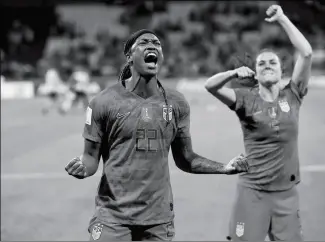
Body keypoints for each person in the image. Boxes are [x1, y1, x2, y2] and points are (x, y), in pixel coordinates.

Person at [65, 29, 249, 241]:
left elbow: (186, 159)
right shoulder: (102, 102)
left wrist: (224, 168)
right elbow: (90, 159)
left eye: (157, 43)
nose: (152, 45)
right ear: (129, 57)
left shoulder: (176, 102)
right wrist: (82, 168)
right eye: (144, 43)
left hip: (158, 218)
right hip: (112, 216)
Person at [205, 5, 312, 241]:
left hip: (286, 193)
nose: (267, 66)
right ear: (255, 73)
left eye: (272, 63)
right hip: (253, 192)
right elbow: (210, 86)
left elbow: (305, 53)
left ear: (282, 70)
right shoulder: (245, 99)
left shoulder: (293, 95)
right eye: (261, 64)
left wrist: (283, 18)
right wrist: (233, 74)